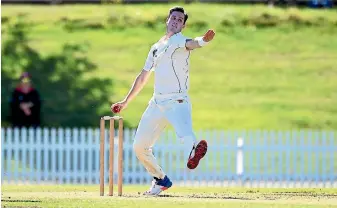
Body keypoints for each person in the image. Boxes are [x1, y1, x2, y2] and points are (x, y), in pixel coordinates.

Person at [111, 6, 215, 196]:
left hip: (177, 101)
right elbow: (143, 77)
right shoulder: (156, 48)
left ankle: (194, 151)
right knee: (139, 147)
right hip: (157, 103)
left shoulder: (179, 41)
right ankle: (160, 179)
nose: (176, 21)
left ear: (183, 25)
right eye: (173, 18)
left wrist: (204, 41)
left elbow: (193, 43)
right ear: (167, 20)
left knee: (185, 135)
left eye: (180, 20)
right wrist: (125, 101)